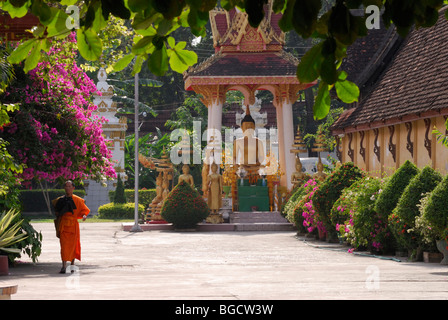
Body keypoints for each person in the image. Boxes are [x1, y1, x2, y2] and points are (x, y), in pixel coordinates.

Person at [53, 180, 89, 274]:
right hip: (64, 226)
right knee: (64, 247)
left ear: (73, 188)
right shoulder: (60, 200)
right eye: (66, 186)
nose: (67, 188)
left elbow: (84, 210)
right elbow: (56, 212)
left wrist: (84, 215)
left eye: (69, 186)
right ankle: (64, 266)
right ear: (64, 188)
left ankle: (72, 266)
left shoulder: (77, 200)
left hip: (73, 226)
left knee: (73, 246)